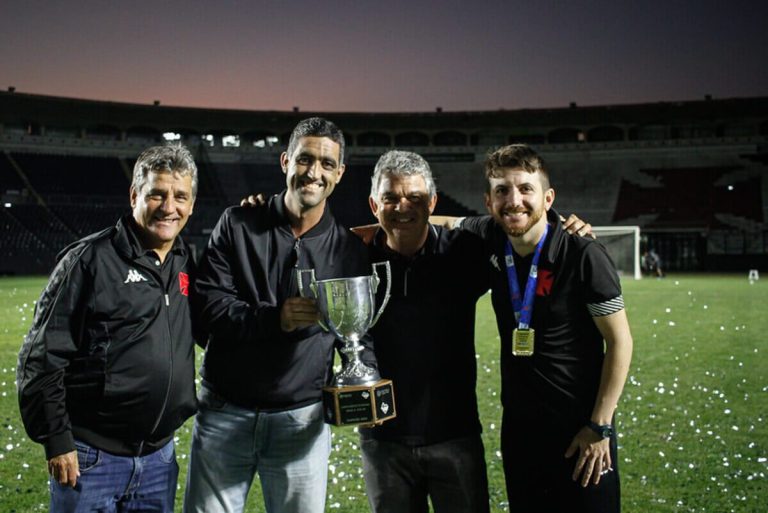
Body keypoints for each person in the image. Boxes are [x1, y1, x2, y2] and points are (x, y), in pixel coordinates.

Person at [183, 117, 374, 513]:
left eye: (326, 164)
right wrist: (276, 319)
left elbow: (357, 331)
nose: (314, 172)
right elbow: (209, 308)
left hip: (301, 422)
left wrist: (365, 380)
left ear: (339, 174)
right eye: (305, 159)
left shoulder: (350, 250)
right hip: (225, 413)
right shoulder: (237, 225)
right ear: (286, 161)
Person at [17, 144, 200, 512]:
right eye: (157, 194)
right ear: (135, 196)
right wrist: (57, 439)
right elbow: (42, 356)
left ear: (192, 204)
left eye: (180, 196)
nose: (169, 207)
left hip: (158, 459)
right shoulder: (90, 260)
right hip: (91, 460)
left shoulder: (187, 261)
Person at [458, 144, 633, 513]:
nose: (514, 200)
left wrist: (599, 426)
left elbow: (620, 343)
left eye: (525, 189)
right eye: (502, 190)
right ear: (488, 201)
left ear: (548, 197)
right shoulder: (488, 236)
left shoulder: (583, 253)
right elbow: (437, 221)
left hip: (580, 432)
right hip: (521, 434)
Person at [360, 150, 491, 513]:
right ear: (374, 204)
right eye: (390, 197)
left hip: (455, 434)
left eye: (415, 197)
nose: (403, 206)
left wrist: (565, 224)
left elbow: (513, 227)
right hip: (383, 439)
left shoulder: (463, 252)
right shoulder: (354, 259)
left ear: (432, 202)